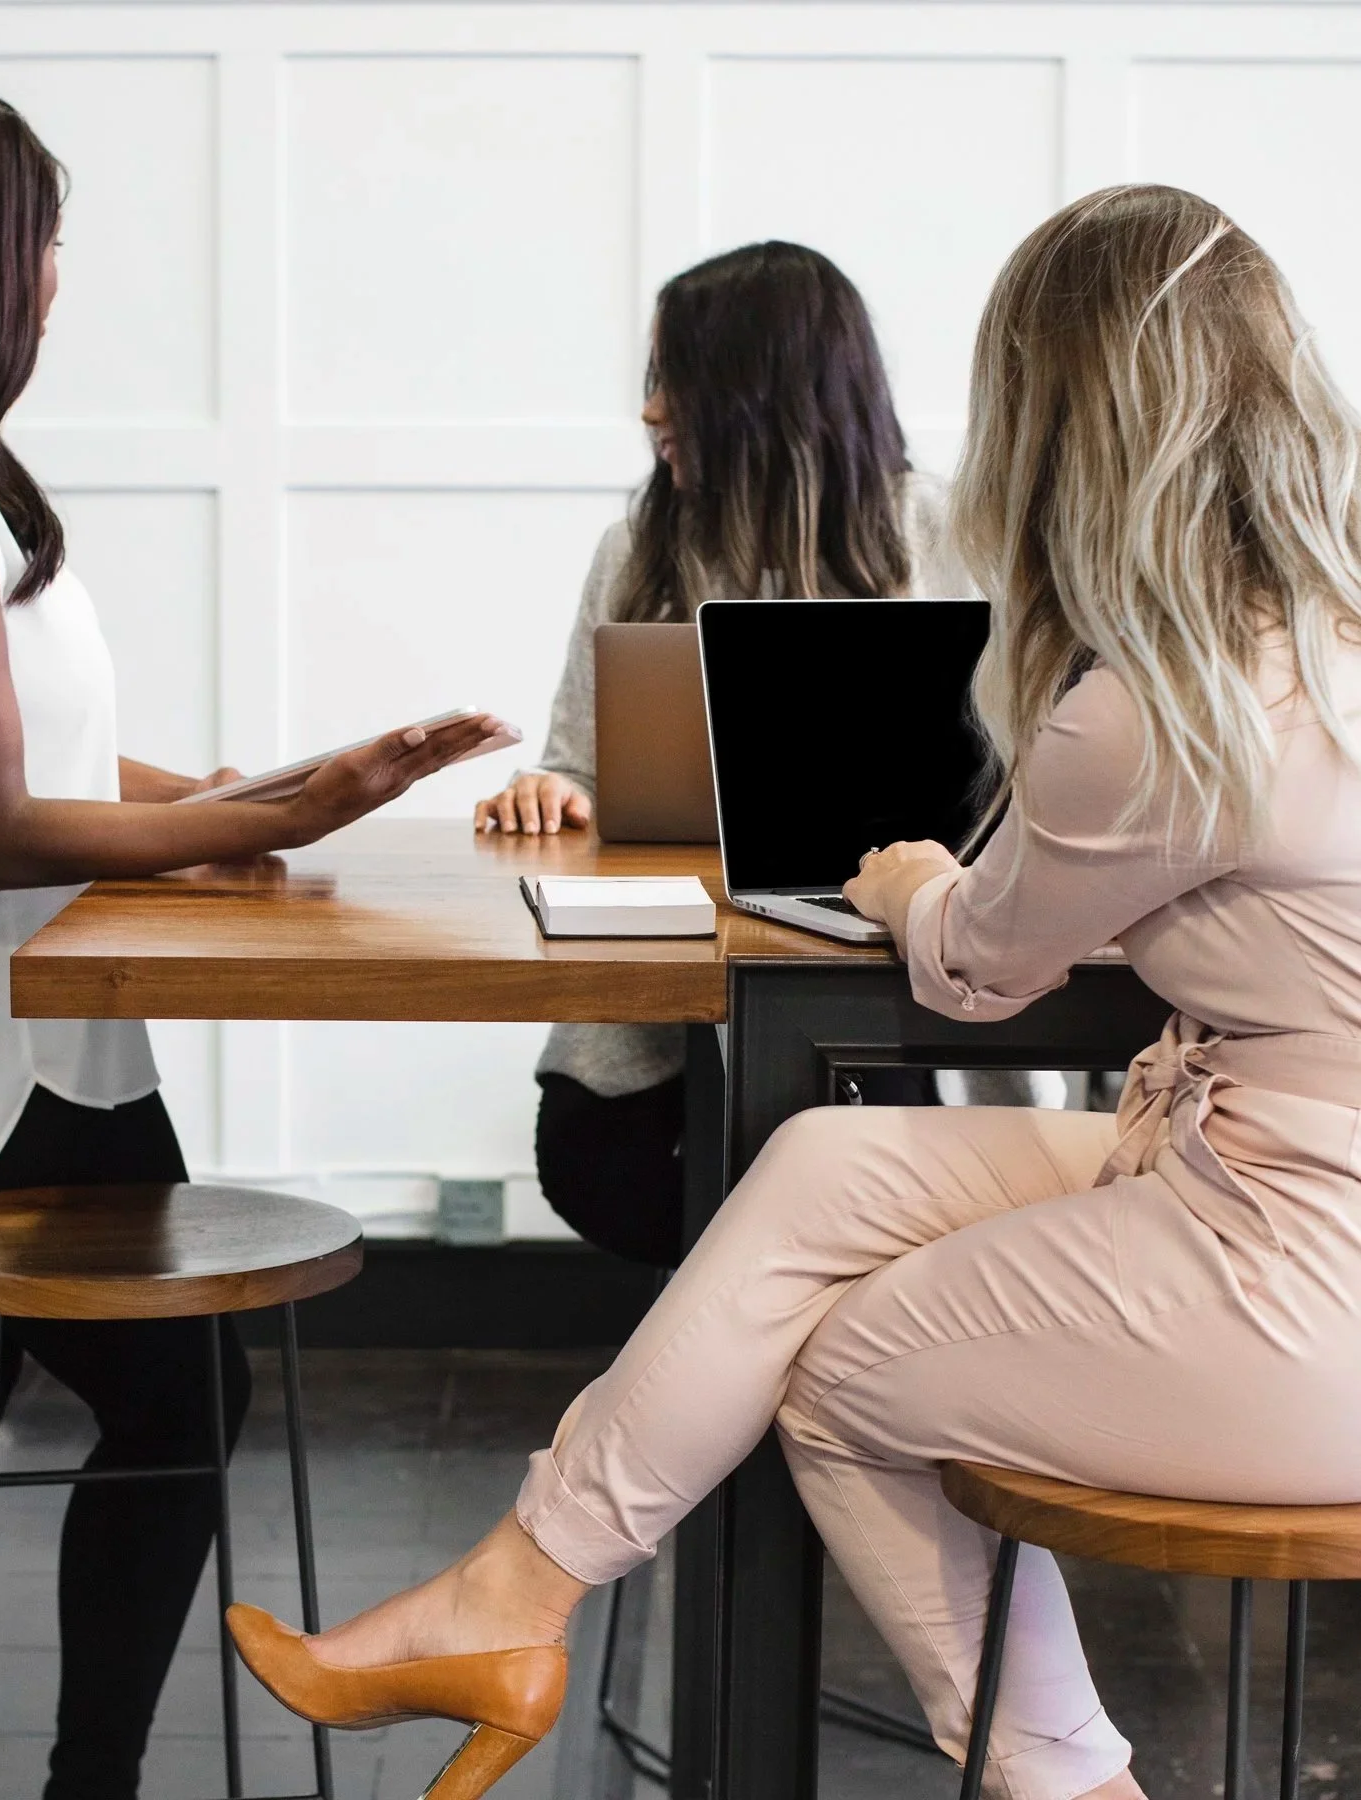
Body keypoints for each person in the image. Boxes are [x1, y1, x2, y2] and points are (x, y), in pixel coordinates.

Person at [229, 183, 1361, 1800]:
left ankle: (1069, 1785)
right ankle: (510, 1593)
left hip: (1296, 1273)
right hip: (1250, 1170)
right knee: (821, 1160)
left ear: (1068, 430)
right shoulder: (1319, 636)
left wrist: (907, 883)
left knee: (834, 1375)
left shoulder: (1157, 708)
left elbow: (974, 962)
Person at [0, 76, 502, 1800]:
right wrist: (266, 824)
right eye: (47, 244)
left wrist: (253, 792)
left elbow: (33, 757)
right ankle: (83, 1779)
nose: (59, 282)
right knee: (174, 1405)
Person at [475, 242, 973, 1266]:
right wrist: (549, 794)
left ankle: (775, 1369)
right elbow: (575, 762)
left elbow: (1015, 769)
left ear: (761, 392)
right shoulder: (639, 549)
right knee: (590, 1161)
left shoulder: (946, 530)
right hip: (676, 952)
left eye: (674, 381)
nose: (651, 411)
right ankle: (765, 1353)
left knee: (862, 1161)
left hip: (886, 949)